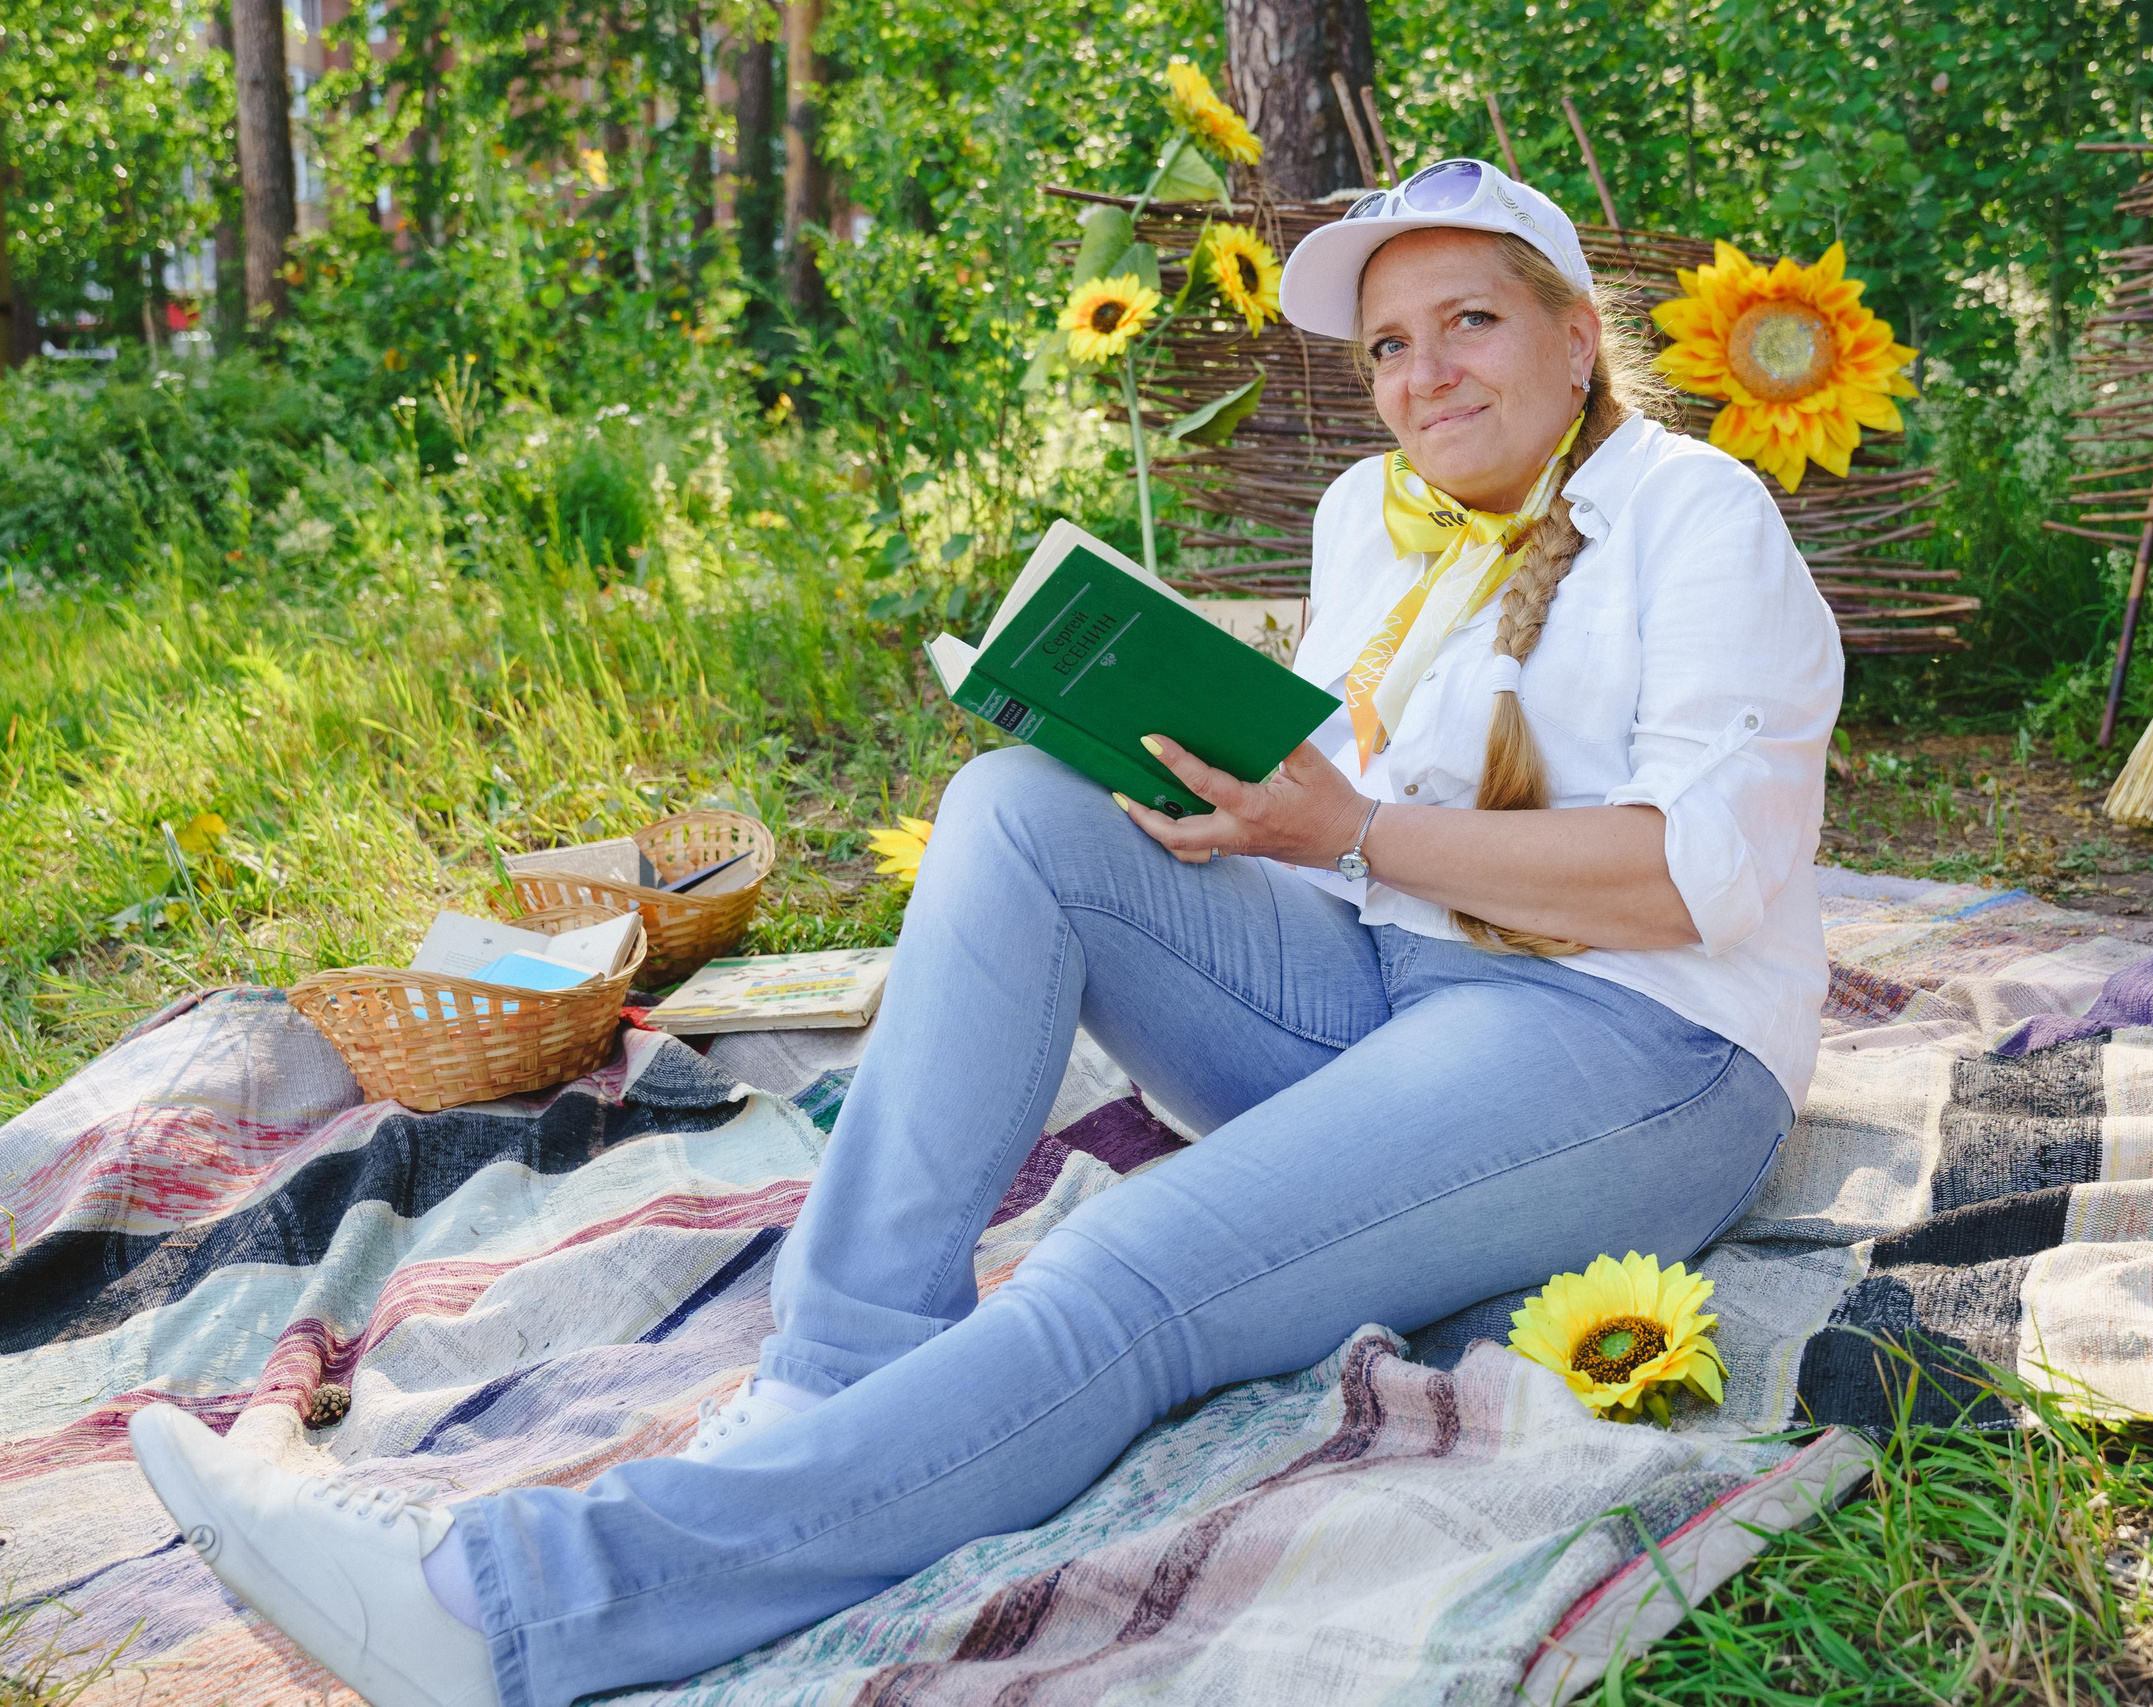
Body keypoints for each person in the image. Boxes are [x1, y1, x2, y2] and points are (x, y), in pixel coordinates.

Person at [126, 158, 1843, 1707]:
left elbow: (1699, 878)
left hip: (1630, 1049)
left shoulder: (1694, 514)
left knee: (1127, 1266)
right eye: (1388, 345)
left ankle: (517, 1610)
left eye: (1469, 320)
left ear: (1571, 339)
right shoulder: (1364, 528)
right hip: (1386, 988)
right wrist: (1224, 806)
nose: (1423, 374)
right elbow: (1335, 837)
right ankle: (839, 1373)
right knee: (1013, 810)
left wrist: (1358, 828)